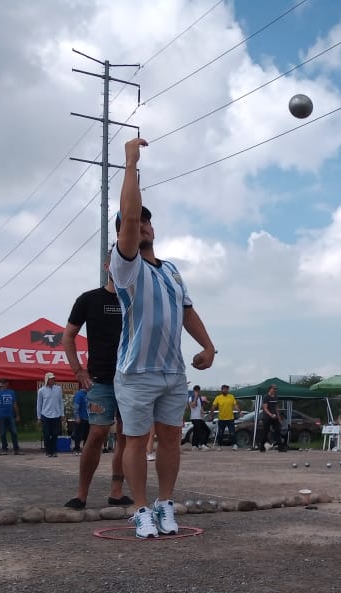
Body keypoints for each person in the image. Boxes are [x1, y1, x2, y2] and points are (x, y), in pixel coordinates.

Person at [112, 137, 216, 539]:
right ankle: (140, 509)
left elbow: (187, 310)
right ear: (126, 231)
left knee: (171, 439)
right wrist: (130, 165)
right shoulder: (124, 267)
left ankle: (165, 504)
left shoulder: (171, 269)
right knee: (137, 442)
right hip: (136, 370)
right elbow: (130, 214)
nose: (143, 226)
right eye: (136, 223)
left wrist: (207, 346)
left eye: (147, 222)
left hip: (173, 371)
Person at [60, 269, 133, 509]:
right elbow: (68, 336)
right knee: (98, 433)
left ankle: (116, 492)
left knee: (125, 435)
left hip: (132, 379)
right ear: (107, 266)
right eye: (116, 261)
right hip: (100, 379)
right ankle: (81, 494)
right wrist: (78, 370)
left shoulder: (136, 299)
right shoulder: (89, 299)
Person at [37, 372, 64, 457]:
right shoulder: (41, 390)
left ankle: (54, 450)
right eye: (51, 379)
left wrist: (62, 413)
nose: (53, 380)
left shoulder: (58, 389)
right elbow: (39, 404)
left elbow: (61, 402)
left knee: (55, 433)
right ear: (47, 380)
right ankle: (48, 451)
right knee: (47, 434)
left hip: (56, 414)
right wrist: (39, 416)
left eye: (53, 378)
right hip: (45, 414)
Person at [210, 384, 240, 449]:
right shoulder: (218, 397)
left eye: (227, 389)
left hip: (230, 418)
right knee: (220, 433)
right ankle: (220, 445)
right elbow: (214, 406)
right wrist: (211, 414)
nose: (226, 390)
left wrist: (239, 411)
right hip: (221, 418)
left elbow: (235, 405)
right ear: (222, 390)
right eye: (224, 389)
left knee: (232, 432)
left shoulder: (231, 397)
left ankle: (235, 445)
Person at [0, 379, 22, 454]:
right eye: (2, 383)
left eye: (5, 383)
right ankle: (4, 448)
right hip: (1, 415)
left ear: (7, 384)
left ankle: (16, 449)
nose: (4, 385)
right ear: (0, 384)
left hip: (10, 415)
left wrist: (17, 415)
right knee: (2, 433)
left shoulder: (11, 392)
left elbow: (14, 404)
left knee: (14, 432)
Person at [259, 384, 281, 452]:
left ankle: (280, 446)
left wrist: (279, 417)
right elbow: (265, 408)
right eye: (273, 389)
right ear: (270, 389)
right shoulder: (266, 397)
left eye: (275, 389)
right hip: (267, 417)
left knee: (277, 430)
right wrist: (270, 414)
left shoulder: (276, 397)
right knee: (266, 431)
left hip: (275, 417)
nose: (275, 390)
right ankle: (262, 446)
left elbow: (277, 408)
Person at [187, 385, 210, 450]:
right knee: (199, 431)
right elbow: (193, 406)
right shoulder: (191, 398)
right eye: (196, 391)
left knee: (206, 430)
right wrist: (196, 397)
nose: (198, 392)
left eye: (198, 391)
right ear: (194, 391)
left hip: (200, 418)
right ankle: (201, 444)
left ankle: (196, 445)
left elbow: (201, 407)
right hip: (194, 417)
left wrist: (203, 413)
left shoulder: (200, 398)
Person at [71, 385, 89, 453]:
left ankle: (86, 449)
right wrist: (77, 416)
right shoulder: (79, 394)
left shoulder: (89, 394)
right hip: (81, 418)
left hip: (89, 418)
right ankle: (77, 448)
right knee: (78, 434)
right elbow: (76, 406)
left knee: (87, 435)